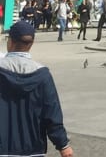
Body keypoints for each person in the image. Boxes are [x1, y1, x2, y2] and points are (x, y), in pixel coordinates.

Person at [0, 20, 73, 157]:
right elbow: (52, 114)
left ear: (10, 41)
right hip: (33, 149)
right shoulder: (43, 75)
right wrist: (63, 145)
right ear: (31, 44)